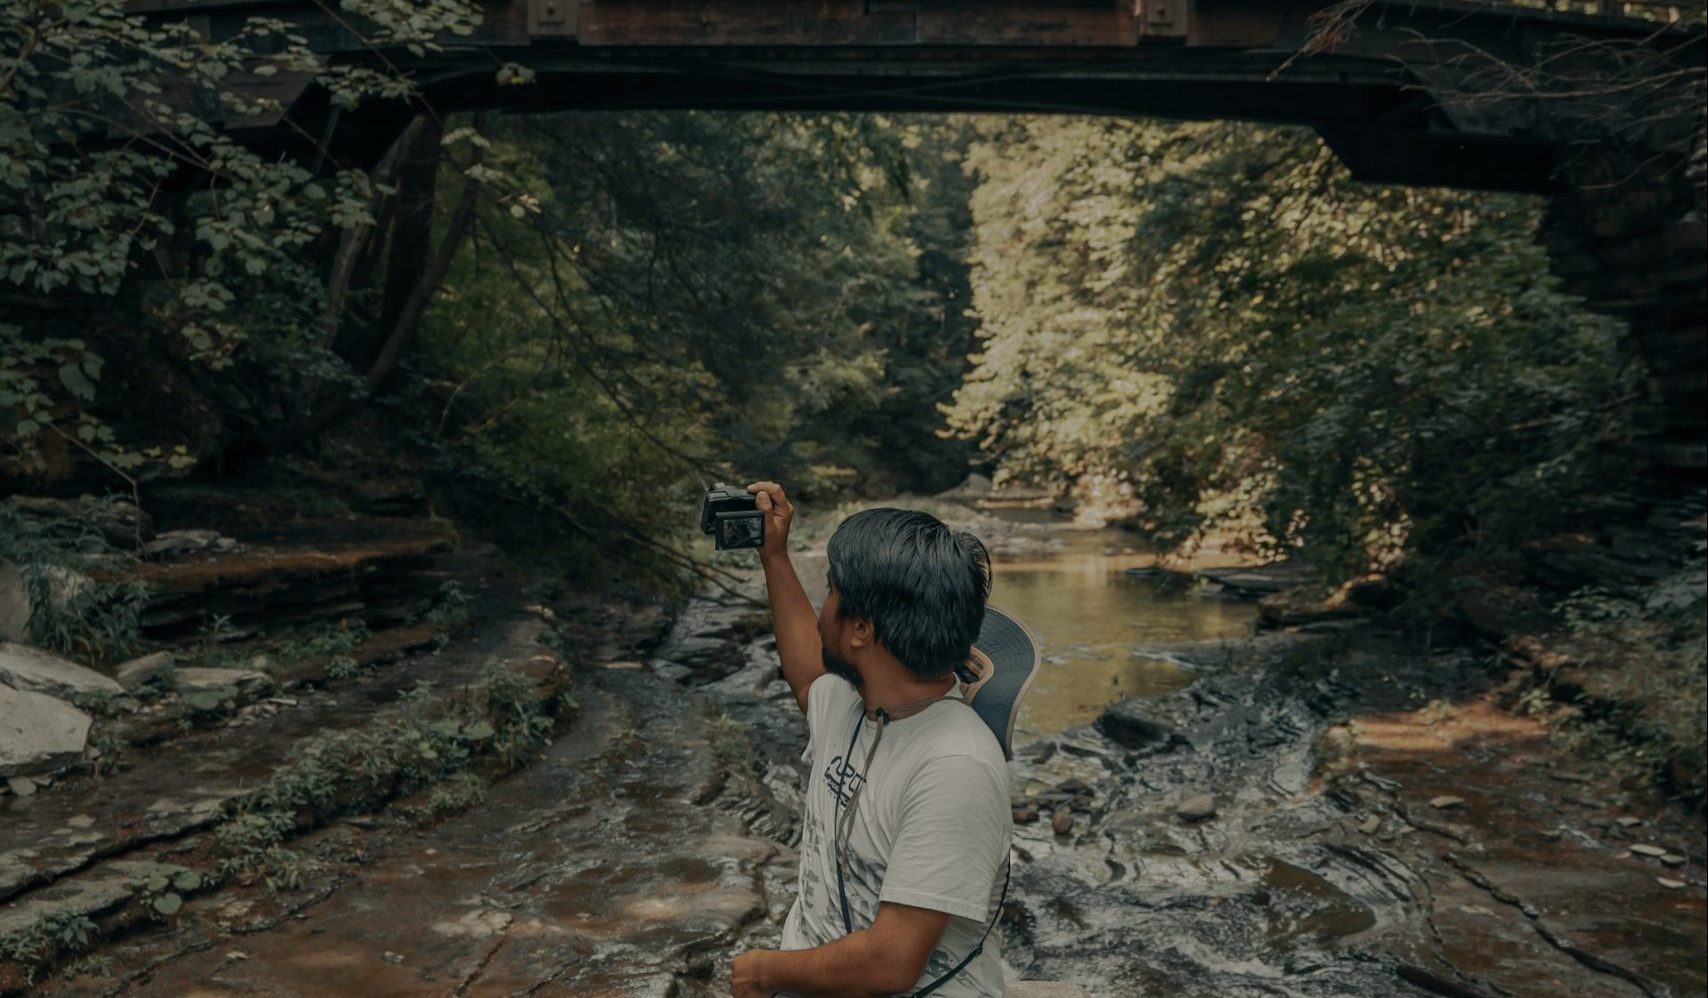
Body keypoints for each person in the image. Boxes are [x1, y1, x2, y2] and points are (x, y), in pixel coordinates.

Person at [730, 481, 1012, 998]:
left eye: (831, 590)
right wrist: (774, 555)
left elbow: (891, 962)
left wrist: (763, 970)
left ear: (860, 630)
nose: (821, 608)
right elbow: (805, 674)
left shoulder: (955, 767)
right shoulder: (854, 702)